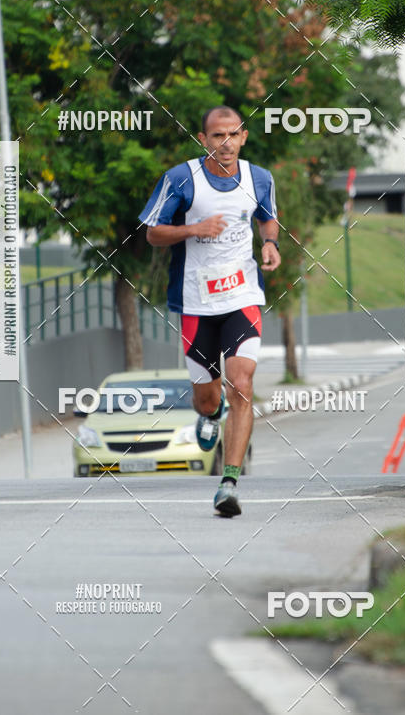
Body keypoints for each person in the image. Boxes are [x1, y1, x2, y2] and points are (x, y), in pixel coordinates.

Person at [139, 106, 281, 516]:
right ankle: (209, 412)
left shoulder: (259, 178)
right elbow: (152, 232)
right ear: (204, 140)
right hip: (195, 304)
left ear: (244, 137)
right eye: (218, 136)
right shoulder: (181, 179)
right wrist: (192, 229)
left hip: (242, 298)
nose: (226, 143)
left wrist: (270, 243)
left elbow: (268, 220)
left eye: (233, 134)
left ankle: (229, 482)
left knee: (242, 385)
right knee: (207, 397)